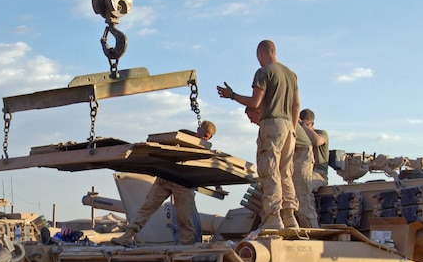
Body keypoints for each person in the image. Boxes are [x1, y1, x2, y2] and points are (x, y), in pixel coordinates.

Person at [217, 39, 298, 231]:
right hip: (289, 126)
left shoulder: (264, 72)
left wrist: (232, 95)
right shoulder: (291, 74)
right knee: (285, 172)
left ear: (261, 54)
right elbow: (296, 105)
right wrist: (293, 129)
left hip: (271, 124)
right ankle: (290, 216)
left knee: (269, 171)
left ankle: (273, 217)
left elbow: (254, 102)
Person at [113, 120, 217, 246]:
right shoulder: (182, 136)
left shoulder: (204, 149)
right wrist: (161, 171)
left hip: (184, 183)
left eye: (206, 136)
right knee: (146, 208)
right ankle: (128, 235)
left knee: (184, 217)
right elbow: (165, 152)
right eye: (202, 133)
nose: (202, 137)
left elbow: (211, 166)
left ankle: (185, 246)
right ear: (198, 129)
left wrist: (217, 184)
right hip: (165, 179)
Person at [300, 109, 330, 192]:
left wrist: (302, 126)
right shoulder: (299, 137)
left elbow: (317, 141)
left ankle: (309, 205)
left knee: (305, 184)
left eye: (305, 124)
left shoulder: (321, 133)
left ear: (312, 124)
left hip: (319, 174)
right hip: (301, 171)